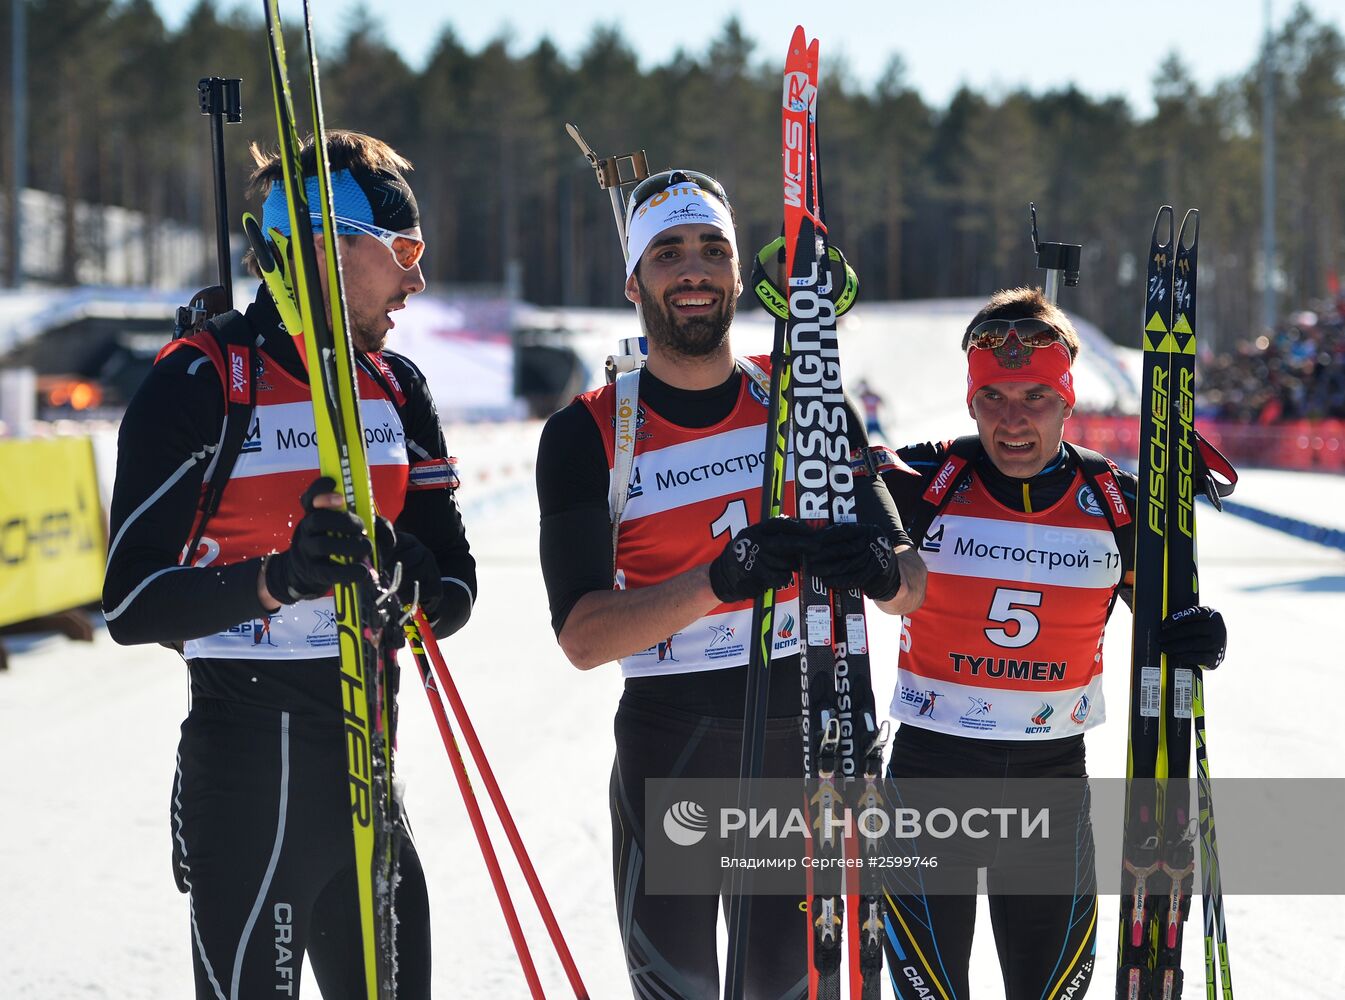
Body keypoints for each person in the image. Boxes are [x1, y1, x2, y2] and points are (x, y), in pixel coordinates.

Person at [535, 168, 927, 1000]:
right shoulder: (588, 431)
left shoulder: (804, 399)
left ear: (738, 275)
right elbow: (582, 637)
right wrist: (720, 579)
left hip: (807, 734)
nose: (693, 271)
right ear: (633, 278)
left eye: (712, 249)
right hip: (671, 742)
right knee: (678, 986)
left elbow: (910, 588)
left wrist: (878, 565)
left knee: (787, 988)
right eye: (668, 252)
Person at [102, 130, 475, 1000]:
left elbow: (454, 589)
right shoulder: (201, 379)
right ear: (326, 249)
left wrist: (408, 572)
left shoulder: (395, 385)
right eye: (403, 253)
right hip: (245, 762)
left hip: (367, 767)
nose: (417, 281)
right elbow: (129, 604)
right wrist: (281, 576)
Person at [873, 287, 1228, 999]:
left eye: (1034, 395)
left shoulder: (1116, 500)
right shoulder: (921, 482)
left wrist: (1199, 632)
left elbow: (1163, 620)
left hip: (1050, 787)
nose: (1011, 418)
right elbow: (839, 495)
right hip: (925, 781)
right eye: (992, 396)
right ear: (969, 401)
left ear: (1068, 401)